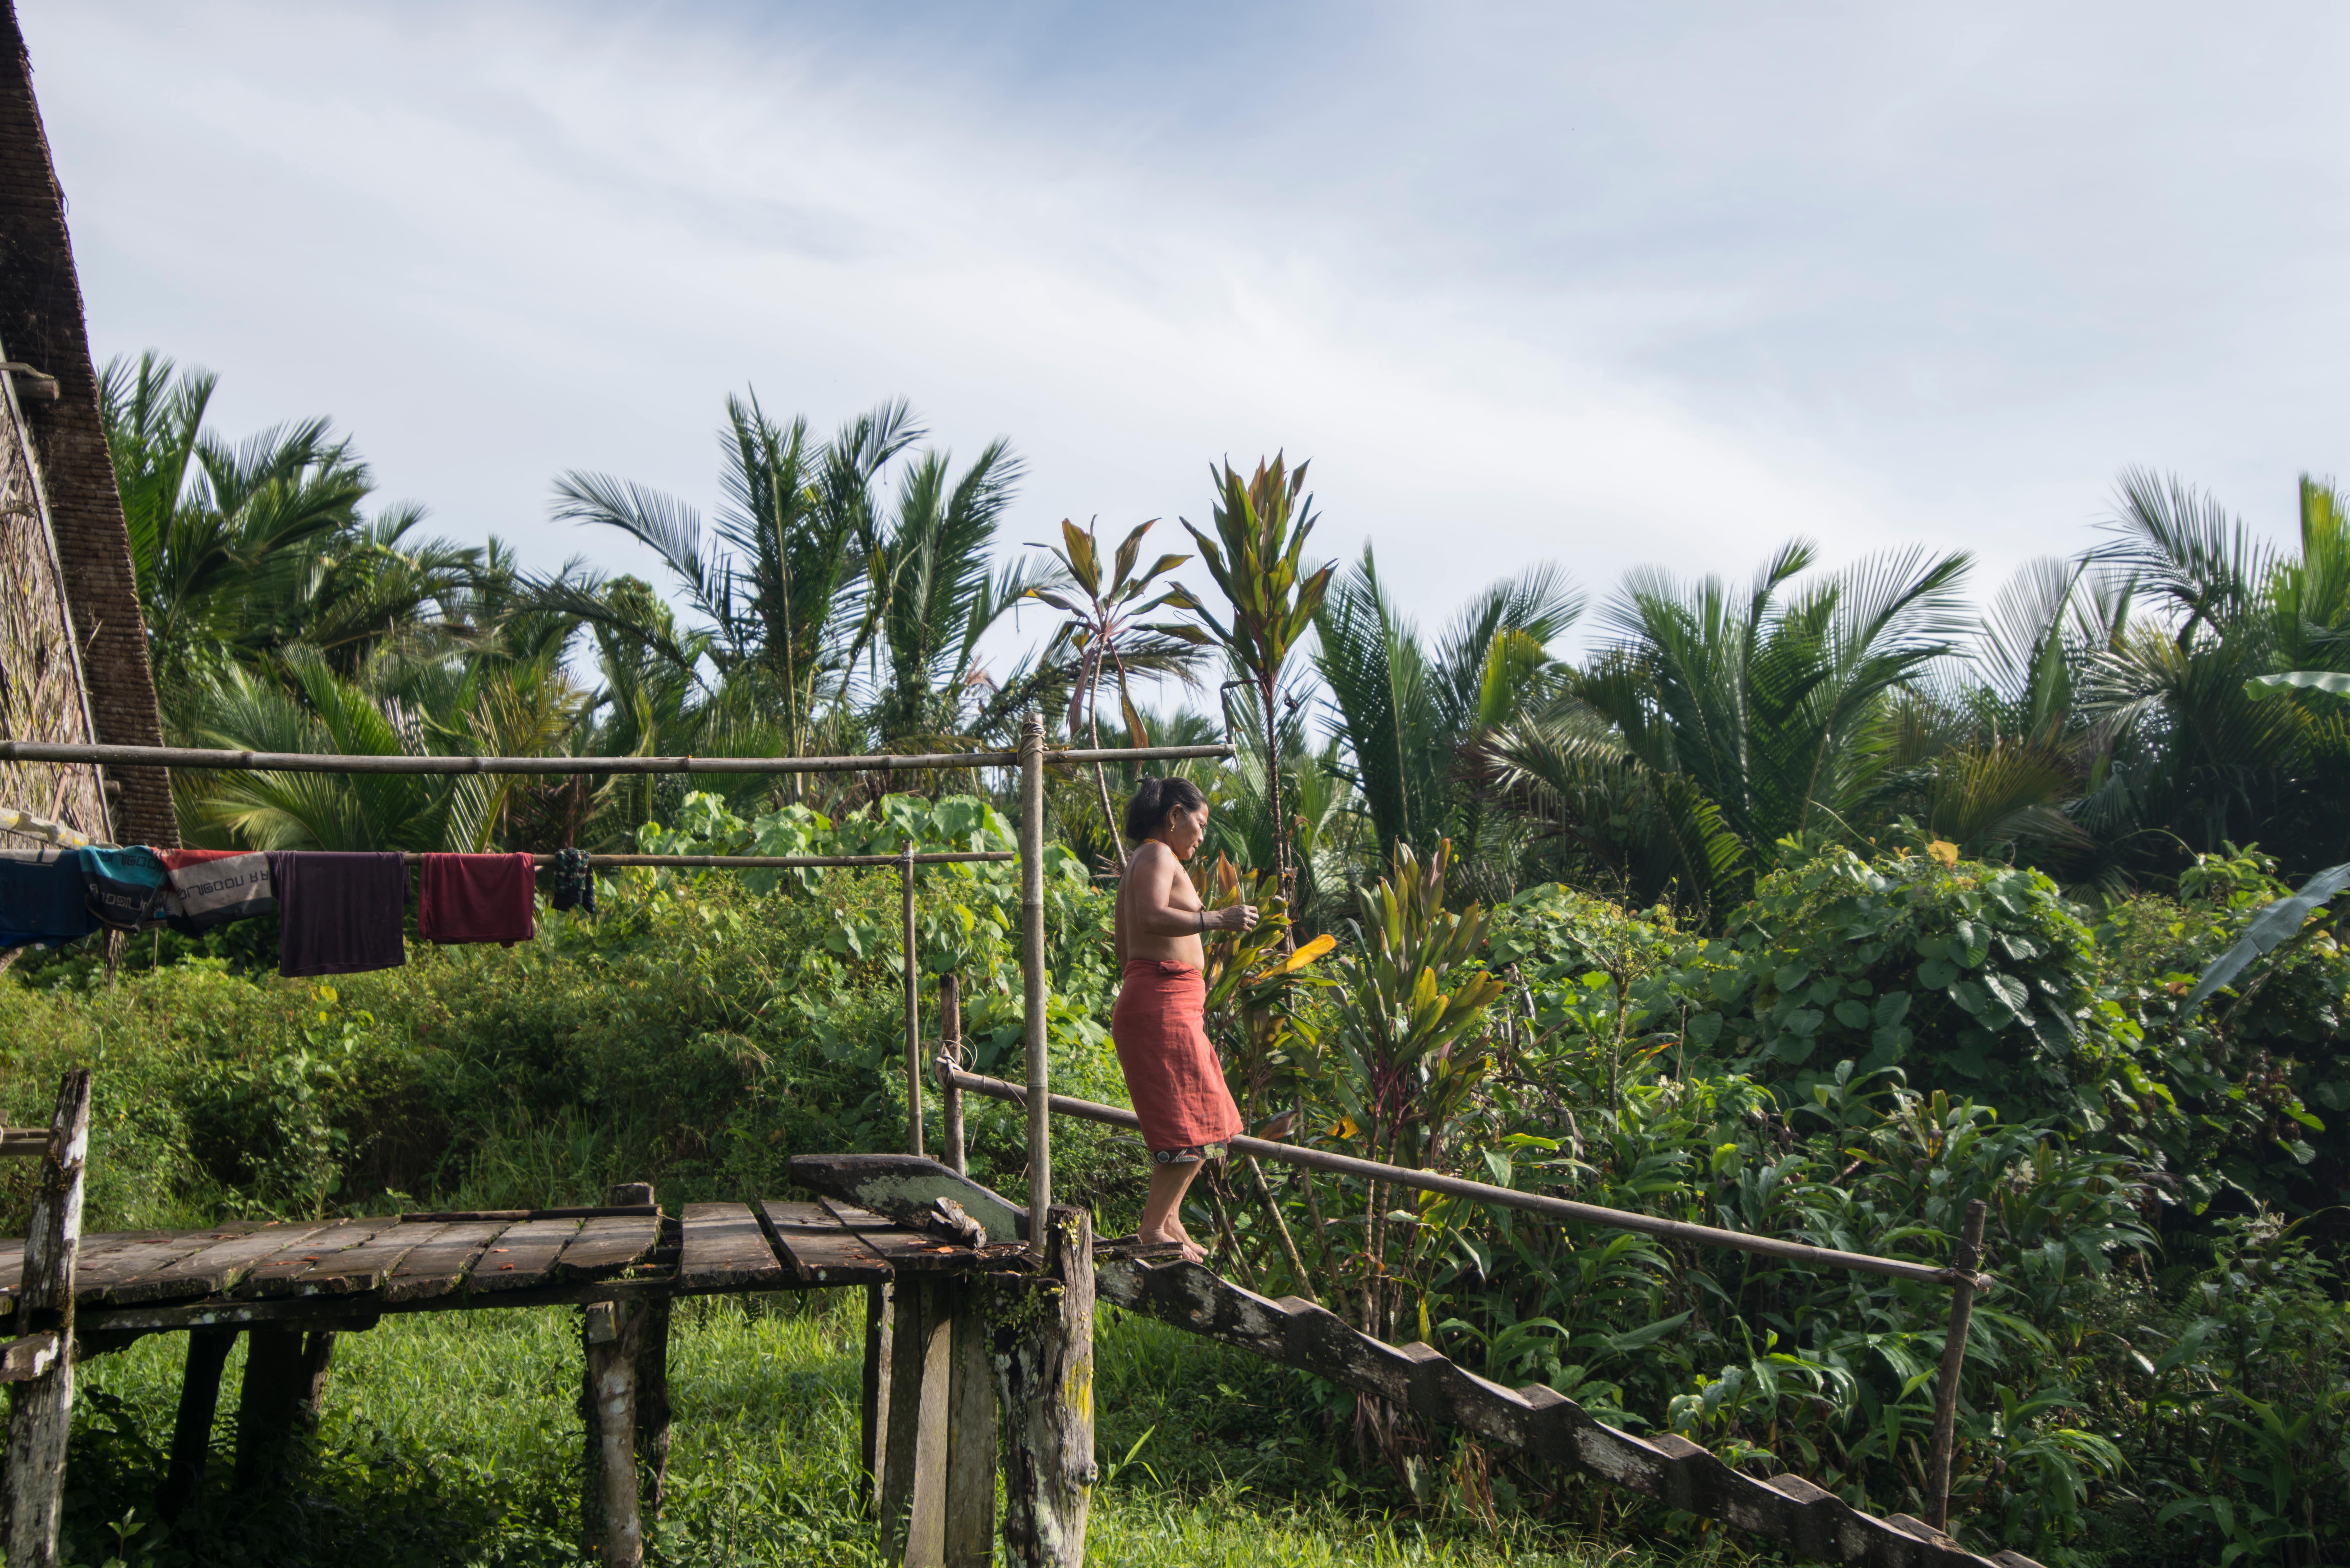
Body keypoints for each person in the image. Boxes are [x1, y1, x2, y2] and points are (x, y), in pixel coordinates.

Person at [1111, 776, 1258, 1262]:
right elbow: (1152, 918)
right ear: (1175, 815)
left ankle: (1170, 1219)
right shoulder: (1155, 856)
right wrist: (1216, 919)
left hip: (1166, 1001)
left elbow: (1124, 946)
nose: (1202, 836)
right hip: (1161, 1004)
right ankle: (1154, 1227)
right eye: (1199, 823)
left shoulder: (1144, 863)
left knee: (1210, 1119)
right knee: (1192, 1119)